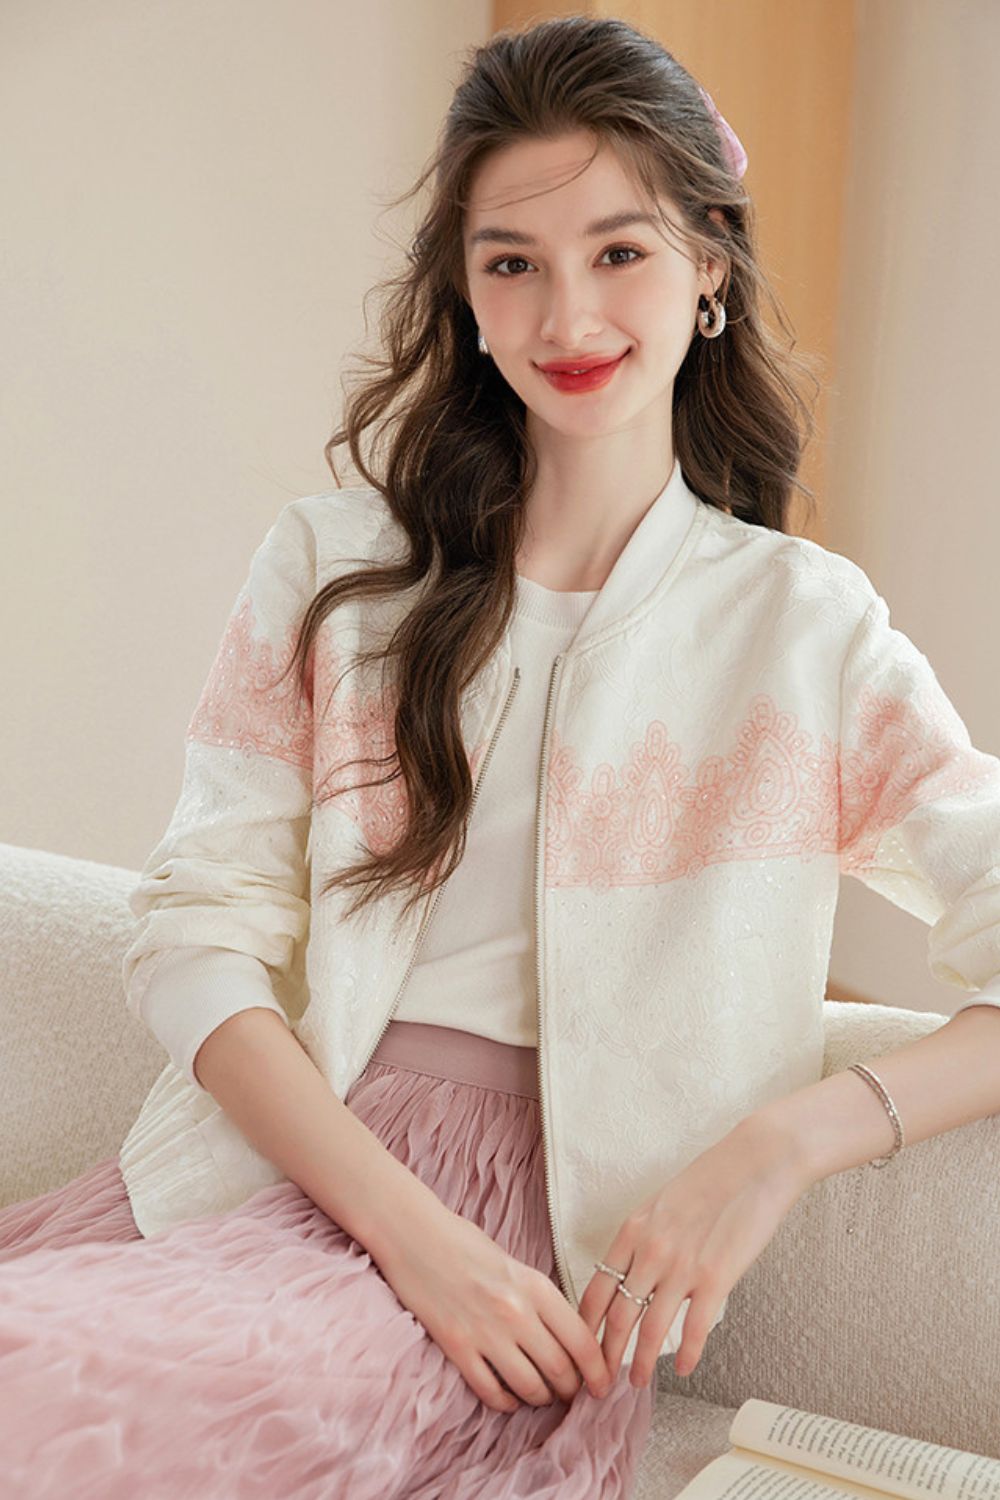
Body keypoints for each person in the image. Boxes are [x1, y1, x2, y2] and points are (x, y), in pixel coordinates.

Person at [4, 14, 1000, 1499]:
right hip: (295, 1182)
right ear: (463, 296)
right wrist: (413, 1239)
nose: (565, 315)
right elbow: (192, 930)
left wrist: (783, 1144)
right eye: (511, 263)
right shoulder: (339, 568)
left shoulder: (802, 632)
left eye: (621, 252)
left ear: (709, 265)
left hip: (549, 1267)